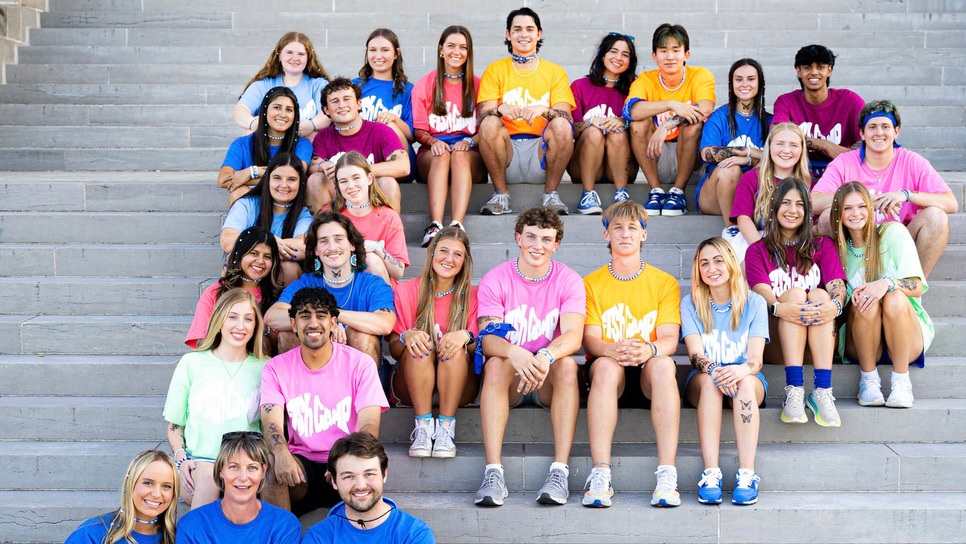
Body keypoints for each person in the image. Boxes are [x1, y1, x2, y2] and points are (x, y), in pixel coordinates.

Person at [473, 207, 585, 507]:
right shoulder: (496, 278)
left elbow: (573, 335)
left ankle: (559, 471)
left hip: (547, 378)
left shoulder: (569, 280)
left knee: (567, 366)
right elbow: (487, 337)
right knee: (496, 364)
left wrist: (545, 355)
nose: (538, 245)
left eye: (546, 239)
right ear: (518, 238)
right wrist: (515, 352)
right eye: (531, 237)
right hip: (510, 377)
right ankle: (493, 472)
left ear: (556, 244)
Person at [581, 200, 682, 508]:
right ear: (606, 235)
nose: (625, 234)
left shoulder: (664, 282)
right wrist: (613, 350)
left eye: (632, 228)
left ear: (644, 235)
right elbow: (589, 340)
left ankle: (667, 474)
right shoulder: (590, 283)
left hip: (649, 375)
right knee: (607, 366)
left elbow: (669, 338)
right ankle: (600, 475)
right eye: (618, 228)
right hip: (608, 376)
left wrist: (647, 349)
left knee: (664, 365)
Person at [260, 287, 389, 515]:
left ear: (333, 323)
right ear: (293, 324)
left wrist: (343, 464)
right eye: (304, 316)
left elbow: (370, 428)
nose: (313, 323)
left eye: (321, 315)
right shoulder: (275, 367)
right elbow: (271, 424)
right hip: (303, 467)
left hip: (348, 460)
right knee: (272, 468)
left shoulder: (360, 364)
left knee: (364, 467)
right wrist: (281, 455)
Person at [811, 100, 958, 279]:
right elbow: (814, 201)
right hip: (854, 244)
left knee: (937, 217)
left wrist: (906, 195)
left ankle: (912, 288)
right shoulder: (844, 162)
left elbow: (950, 203)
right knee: (827, 216)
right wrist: (862, 200)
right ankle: (839, 283)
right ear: (862, 133)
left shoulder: (912, 161)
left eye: (885, 126)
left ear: (896, 131)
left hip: (897, 243)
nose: (879, 133)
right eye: (872, 127)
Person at [745, 177, 847, 427]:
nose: (792, 210)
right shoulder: (757, 251)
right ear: (774, 208)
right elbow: (764, 297)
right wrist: (785, 307)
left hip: (817, 343)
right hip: (776, 342)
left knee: (822, 296)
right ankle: (794, 388)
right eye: (786, 203)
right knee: (795, 294)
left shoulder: (823, 245)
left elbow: (838, 288)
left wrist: (833, 306)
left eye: (800, 204)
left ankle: (822, 391)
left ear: (808, 211)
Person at [829, 182, 933, 408]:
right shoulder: (837, 250)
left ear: (870, 208)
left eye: (861, 207)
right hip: (863, 340)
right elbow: (839, 310)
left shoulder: (893, 233)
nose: (855, 214)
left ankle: (901, 383)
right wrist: (860, 296)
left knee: (894, 296)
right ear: (838, 213)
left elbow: (916, 287)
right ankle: (869, 382)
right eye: (847, 208)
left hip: (906, 334)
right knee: (864, 300)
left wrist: (886, 284)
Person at [682, 238, 768, 506]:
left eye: (718, 260)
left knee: (744, 384)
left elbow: (756, 359)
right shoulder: (690, 303)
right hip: (706, 376)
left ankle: (747, 474)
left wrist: (739, 371)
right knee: (709, 383)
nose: (712, 268)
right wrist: (717, 372)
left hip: (747, 377)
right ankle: (711, 473)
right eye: (704, 263)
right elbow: (695, 355)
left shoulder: (754, 303)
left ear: (731, 262)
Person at [165, 289, 269, 509]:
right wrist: (181, 458)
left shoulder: (266, 367)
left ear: (256, 326)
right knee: (207, 476)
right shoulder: (191, 363)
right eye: (233, 317)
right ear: (219, 319)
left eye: (248, 319)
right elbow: (175, 426)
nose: (240, 326)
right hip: (199, 463)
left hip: (245, 466)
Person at [475, 7, 576, 216]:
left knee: (561, 125)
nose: (523, 34)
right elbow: (482, 117)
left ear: (539, 34)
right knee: (490, 123)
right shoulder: (495, 69)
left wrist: (544, 110)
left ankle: (550, 195)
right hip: (505, 154)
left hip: (540, 152)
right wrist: (499, 109)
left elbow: (567, 118)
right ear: (508, 34)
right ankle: (501, 195)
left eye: (530, 29)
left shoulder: (554, 71)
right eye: (517, 29)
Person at [390, 227, 479, 458]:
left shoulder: (474, 295)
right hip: (413, 384)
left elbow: (481, 349)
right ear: (431, 253)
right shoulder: (406, 291)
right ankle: (423, 427)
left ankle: (446, 429)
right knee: (420, 345)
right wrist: (407, 336)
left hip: (459, 386)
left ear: (465, 261)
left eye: (457, 254)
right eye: (443, 251)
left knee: (455, 347)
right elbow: (393, 348)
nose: (449, 259)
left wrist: (465, 336)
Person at [264, 212, 396, 363]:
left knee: (360, 336)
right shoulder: (306, 284)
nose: (332, 247)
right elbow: (272, 316)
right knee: (287, 336)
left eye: (338, 239)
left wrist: (333, 315)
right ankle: (298, 386)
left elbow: (385, 323)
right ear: (316, 250)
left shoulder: (372, 284)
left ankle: (359, 387)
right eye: (324, 241)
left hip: (359, 368)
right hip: (313, 366)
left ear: (352, 244)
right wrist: (325, 325)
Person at [623, 23, 715, 216]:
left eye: (676, 50)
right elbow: (630, 111)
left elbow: (705, 107)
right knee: (638, 123)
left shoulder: (700, 75)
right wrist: (670, 104)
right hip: (657, 153)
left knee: (694, 122)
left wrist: (668, 124)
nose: (670, 56)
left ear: (686, 55)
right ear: (654, 56)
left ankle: (678, 192)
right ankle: (656, 191)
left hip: (692, 156)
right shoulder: (646, 80)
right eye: (663, 51)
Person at [412, 25, 484, 244]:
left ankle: (456, 225)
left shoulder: (478, 84)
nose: (457, 51)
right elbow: (419, 130)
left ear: (469, 52)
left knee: (459, 155)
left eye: (463, 47)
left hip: (469, 155)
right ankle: (435, 225)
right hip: (433, 156)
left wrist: (470, 141)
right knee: (443, 154)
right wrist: (433, 141)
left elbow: (487, 129)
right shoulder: (425, 84)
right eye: (451, 45)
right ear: (440, 49)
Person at [301, 433, 436, 544]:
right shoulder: (318, 538)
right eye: (349, 476)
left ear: (384, 475)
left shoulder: (414, 533)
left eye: (369, 474)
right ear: (334, 481)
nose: (360, 485)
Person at [174, 433, 301, 544]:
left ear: (263, 471)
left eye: (252, 467)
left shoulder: (284, 525)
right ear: (220, 471)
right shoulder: (192, 525)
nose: (243, 477)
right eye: (234, 467)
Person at [308, 77, 406, 213]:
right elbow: (313, 166)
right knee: (315, 180)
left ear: (359, 104)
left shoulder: (380, 130)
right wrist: (321, 166)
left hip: (371, 194)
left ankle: (389, 232)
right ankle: (324, 231)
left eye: (347, 99)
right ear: (326, 110)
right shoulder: (323, 136)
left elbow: (403, 166)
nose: (342, 105)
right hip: (340, 196)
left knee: (388, 183)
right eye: (335, 101)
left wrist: (357, 171)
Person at [568, 32, 638, 214]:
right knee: (593, 132)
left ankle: (621, 194)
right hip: (586, 165)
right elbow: (570, 130)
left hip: (623, 166)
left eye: (625, 54)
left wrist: (624, 121)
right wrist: (592, 122)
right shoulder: (579, 86)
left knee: (618, 131)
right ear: (602, 54)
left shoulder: (635, 88)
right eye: (613, 52)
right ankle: (587, 195)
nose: (618, 58)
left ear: (631, 61)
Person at [771, 44, 864, 180]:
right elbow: (777, 133)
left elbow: (867, 142)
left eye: (820, 67)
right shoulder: (786, 101)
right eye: (807, 67)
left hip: (842, 173)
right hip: (798, 173)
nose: (814, 72)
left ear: (829, 70)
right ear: (798, 71)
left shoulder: (850, 100)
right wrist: (824, 145)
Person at [698, 59, 771, 226]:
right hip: (715, 194)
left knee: (764, 167)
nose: (744, 84)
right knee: (731, 169)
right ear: (731, 85)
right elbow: (707, 153)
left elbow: (777, 157)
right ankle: (732, 228)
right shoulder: (720, 117)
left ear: (760, 84)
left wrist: (748, 158)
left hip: (751, 193)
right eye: (739, 79)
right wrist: (748, 152)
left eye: (751, 79)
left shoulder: (768, 121)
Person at [220, 153, 313, 284]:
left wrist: (260, 248)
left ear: (300, 183)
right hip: (248, 269)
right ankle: (237, 302)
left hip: (278, 277)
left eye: (291, 179)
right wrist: (268, 241)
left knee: (290, 268)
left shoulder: (303, 214)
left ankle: (281, 305)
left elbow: (303, 248)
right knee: (232, 259)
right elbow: (227, 241)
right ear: (268, 179)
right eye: (277, 178)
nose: (284, 185)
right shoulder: (247, 204)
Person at [185, 227, 281, 349]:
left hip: (260, 361)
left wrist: (263, 328)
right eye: (254, 253)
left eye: (267, 256)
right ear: (240, 254)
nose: (260, 261)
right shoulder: (216, 292)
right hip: (221, 358)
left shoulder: (276, 295)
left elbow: (280, 346)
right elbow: (201, 340)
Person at [220, 87, 314, 208]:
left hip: (287, 202)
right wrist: (275, 179)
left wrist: (251, 172)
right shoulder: (242, 144)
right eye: (277, 107)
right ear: (265, 111)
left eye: (289, 110)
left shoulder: (302, 144)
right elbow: (224, 179)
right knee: (238, 191)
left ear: (295, 116)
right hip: (253, 203)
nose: (283, 114)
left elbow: (297, 172)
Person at [729, 123, 810, 260]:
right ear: (769, 147)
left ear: (802, 149)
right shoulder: (753, 178)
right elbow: (744, 219)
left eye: (793, 145)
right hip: (756, 239)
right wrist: (763, 251)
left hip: (796, 242)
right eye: (780, 144)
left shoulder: (809, 183)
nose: (786, 150)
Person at [66, 450, 178, 544]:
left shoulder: (178, 538)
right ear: (130, 484)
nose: (156, 494)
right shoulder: (91, 533)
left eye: (166, 486)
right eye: (148, 483)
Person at [332, 152, 409, 284]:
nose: (350, 186)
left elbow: (399, 272)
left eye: (356, 178)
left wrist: (377, 248)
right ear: (338, 185)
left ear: (369, 179)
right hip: (342, 284)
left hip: (379, 289)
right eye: (343, 181)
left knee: (371, 260)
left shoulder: (389, 216)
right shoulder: (331, 217)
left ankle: (379, 305)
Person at [234, 32, 330, 138]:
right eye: (289, 52)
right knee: (249, 133)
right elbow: (240, 109)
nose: (295, 58)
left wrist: (312, 125)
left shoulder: (318, 84)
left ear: (308, 58)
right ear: (279, 55)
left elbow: (328, 113)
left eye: (301, 54)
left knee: (315, 134)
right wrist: (253, 123)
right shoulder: (263, 84)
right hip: (269, 145)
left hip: (304, 143)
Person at [354, 28, 417, 182]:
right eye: (373, 50)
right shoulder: (354, 87)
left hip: (398, 160)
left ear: (396, 53)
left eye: (385, 50)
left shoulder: (408, 90)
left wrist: (394, 119)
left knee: (388, 125)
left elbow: (412, 135)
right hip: (362, 156)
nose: (378, 56)